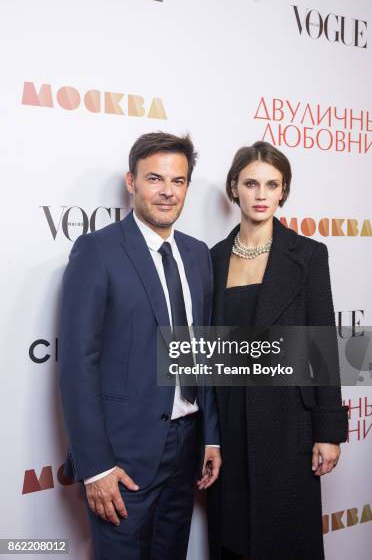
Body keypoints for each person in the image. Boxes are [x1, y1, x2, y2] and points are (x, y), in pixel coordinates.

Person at [58, 132, 221, 560]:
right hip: (123, 459)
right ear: (131, 182)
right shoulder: (98, 250)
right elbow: (77, 366)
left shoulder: (198, 254)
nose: (168, 191)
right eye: (155, 178)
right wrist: (95, 467)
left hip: (187, 447)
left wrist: (211, 438)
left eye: (179, 181)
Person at [207, 141, 349, 560]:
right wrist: (208, 437)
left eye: (273, 184)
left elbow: (321, 345)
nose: (262, 194)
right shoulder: (211, 259)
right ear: (235, 188)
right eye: (251, 183)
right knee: (233, 537)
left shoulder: (307, 255)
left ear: (283, 191)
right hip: (230, 421)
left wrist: (328, 431)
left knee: (286, 541)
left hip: (289, 424)